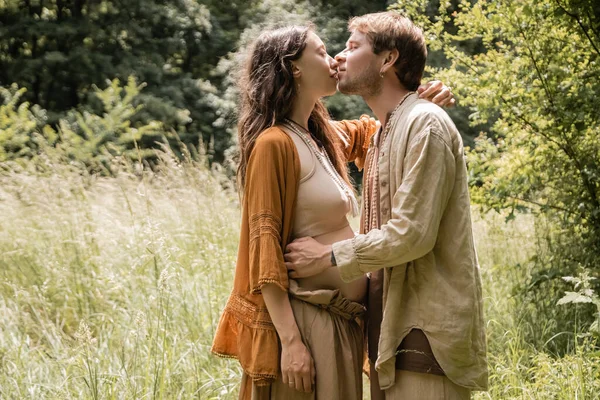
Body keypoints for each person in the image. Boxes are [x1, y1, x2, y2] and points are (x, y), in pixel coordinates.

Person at [211, 23, 453, 400]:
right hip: (305, 326)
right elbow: (264, 253)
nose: (335, 58)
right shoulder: (274, 144)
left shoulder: (320, 136)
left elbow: (381, 129)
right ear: (293, 67)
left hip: (341, 322)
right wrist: (291, 343)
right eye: (322, 52)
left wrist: (418, 103)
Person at [284, 12, 488, 400]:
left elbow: (413, 234)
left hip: (426, 335)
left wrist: (327, 256)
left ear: (388, 59)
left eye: (353, 46)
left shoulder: (425, 125)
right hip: (387, 335)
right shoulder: (386, 132)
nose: (340, 57)